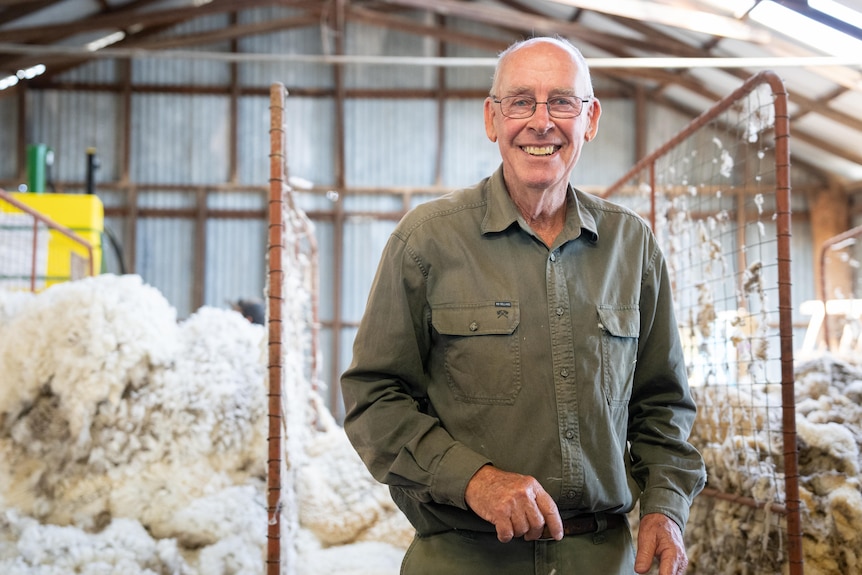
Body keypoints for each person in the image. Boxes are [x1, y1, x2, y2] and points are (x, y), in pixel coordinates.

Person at [341, 36, 706, 575]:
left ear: (591, 119)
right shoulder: (427, 243)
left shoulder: (632, 247)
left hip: (602, 558)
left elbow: (662, 404)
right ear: (493, 119)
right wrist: (475, 479)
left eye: (562, 101)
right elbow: (373, 400)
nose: (541, 122)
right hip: (463, 556)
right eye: (520, 102)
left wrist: (665, 509)